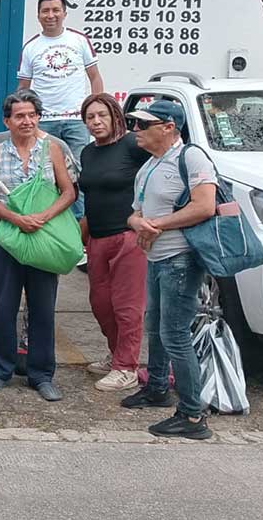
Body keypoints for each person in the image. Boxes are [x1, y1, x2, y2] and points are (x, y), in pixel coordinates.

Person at [0, 99, 80, 375]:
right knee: (4, 305)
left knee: (43, 308)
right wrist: (18, 219)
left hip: (44, 236)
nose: (27, 121)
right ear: (7, 121)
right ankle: (0, 371)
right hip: (8, 236)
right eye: (20, 116)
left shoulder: (54, 150)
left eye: (33, 115)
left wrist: (42, 218)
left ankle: (42, 375)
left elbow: (69, 192)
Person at [122, 100, 217, 440]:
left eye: (144, 125)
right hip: (157, 257)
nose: (136, 130)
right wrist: (140, 224)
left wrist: (156, 225)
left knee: (175, 335)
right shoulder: (149, 165)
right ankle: (157, 388)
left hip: (180, 259)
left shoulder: (190, 158)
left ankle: (193, 416)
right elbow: (134, 212)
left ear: (169, 127)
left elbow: (205, 206)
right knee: (157, 328)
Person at [78, 93, 151, 392]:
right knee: (101, 304)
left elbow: (163, 171)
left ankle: (127, 367)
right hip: (96, 238)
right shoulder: (87, 153)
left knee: (127, 306)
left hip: (128, 238)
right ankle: (116, 356)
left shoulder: (133, 146)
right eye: (90, 117)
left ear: (116, 117)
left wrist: (149, 216)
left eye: (102, 116)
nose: (96, 122)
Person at [17, 0, 103, 218]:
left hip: (76, 121)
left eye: (56, 10)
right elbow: (23, 88)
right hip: (44, 123)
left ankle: (77, 228)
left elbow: (94, 77)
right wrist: (23, 118)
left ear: (64, 13)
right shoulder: (31, 47)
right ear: (38, 15)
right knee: (43, 174)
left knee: (78, 174)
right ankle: (46, 223)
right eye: (45, 11)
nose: (51, 15)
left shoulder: (79, 40)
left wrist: (96, 110)